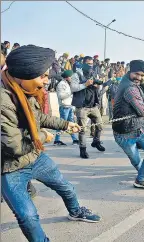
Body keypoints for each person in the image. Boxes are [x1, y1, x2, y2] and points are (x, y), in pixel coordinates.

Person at [1, 45, 101, 241]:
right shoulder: (3, 101)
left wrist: (66, 125)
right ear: (25, 74)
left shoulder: (22, 90)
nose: (47, 81)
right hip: (10, 167)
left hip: (35, 157)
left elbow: (39, 117)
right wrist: (42, 137)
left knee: (67, 187)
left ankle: (76, 211)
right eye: (43, 77)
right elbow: (13, 145)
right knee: (27, 216)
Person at [112, 60, 144, 190]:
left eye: (142, 75)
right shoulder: (130, 88)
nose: (139, 78)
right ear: (130, 71)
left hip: (140, 127)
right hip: (124, 133)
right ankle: (141, 179)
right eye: (137, 74)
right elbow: (141, 110)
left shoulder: (132, 83)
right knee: (136, 160)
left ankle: (143, 174)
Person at [70, 56, 105, 159]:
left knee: (100, 126)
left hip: (93, 105)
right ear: (83, 63)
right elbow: (73, 88)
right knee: (82, 130)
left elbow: (98, 86)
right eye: (88, 64)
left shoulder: (93, 74)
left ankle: (96, 142)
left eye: (91, 64)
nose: (90, 66)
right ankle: (83, 149)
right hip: (82, 107)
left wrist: (97, 86)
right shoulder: (76, 75)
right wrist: (85, 84)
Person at [54, 70, 79, 145]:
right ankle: (57, 140)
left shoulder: (68, 83)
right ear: (67, 77)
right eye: (71, 76)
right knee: (62, 124)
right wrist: (70, 92)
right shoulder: (61, 84)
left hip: (69, 106)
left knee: (70, 123)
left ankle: (74, 139)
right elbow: (61, 96)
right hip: (64, 107)